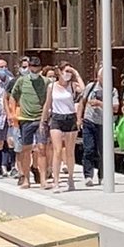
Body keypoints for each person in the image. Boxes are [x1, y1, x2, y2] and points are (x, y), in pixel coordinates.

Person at [40, 64, 83, 192]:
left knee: (69, 151)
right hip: (57, 118)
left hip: (70, 118)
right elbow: (47, 104)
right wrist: (43, 121)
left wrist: (76, 73)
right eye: (66, 71)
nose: (67, 74)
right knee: (57, 150)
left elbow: (84, 90)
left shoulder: (72, 85)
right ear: (59, 72)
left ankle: (70, 178)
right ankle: (56, 181)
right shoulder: (51, 86)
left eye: (69, 71)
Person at [9, 56, 49, 190]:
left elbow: (49, 99)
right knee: (26, 149)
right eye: (32, 67)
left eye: (36, 67)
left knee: (42, 149)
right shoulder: (21, 81)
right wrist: (13, 114)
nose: (34, 70)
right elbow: (13, 97)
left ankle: (43, 179)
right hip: (25, 120)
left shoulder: (46, 82)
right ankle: (26, 179)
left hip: (40, 120)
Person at [79, 66, 118, 186]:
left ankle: (102, 175)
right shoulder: (91, 87)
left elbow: (115, 108)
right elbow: (82, 102)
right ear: (99, 77)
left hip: (104, 124)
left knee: (103, 151)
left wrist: (100, 103)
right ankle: (88, 175)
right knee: (89, 149)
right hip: (89, 121)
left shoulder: (112, 90)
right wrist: (79, 118)